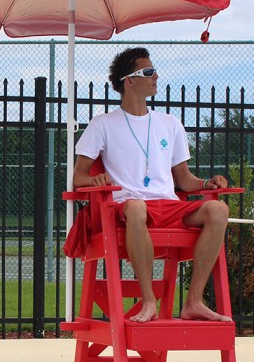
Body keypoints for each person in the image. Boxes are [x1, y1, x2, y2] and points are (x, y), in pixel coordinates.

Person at [72, 47, 231, 323]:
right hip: (128, 209)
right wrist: (95, 179)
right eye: (148, 72)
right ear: (129, 81)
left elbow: (183, 179)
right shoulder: (102, 124)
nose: (156, 76)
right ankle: (148, 302)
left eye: (154, 71)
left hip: (168, 206)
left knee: (218, 210)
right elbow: (77, 178)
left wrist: (207, 182)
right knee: (135, 208)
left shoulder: (170, 123)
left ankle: (194, 301)